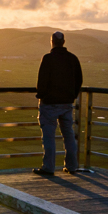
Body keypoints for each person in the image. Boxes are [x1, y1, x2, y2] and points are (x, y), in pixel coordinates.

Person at [34, 30, 83, 176]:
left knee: (49, 136)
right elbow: (79, 80)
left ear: (52, 42)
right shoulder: (73, 59)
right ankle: (72, 166)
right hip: (67, 104)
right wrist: (72, 96)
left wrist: (41, 96)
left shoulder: (48, 59)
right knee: (68, 135)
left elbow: (42, 81)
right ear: (64, 42)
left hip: (49, 104)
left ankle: (49, 168)